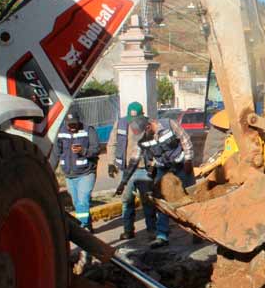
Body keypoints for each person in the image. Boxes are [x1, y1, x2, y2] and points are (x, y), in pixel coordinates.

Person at [116, 116, 195, 248]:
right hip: (162, 168)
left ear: (148, 127)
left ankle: (196, 232)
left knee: (190, 198)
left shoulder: (169, 124)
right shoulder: (142, 140)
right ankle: (162, 236)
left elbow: (185, 140)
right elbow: (134, 160)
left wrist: (188, 160)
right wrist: (123, 182)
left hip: (181, 166)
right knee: (161, 201)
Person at [107, 102, 157, 241]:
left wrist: (153, 164)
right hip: (125, 169)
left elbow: (156, 146)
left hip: (143, 169)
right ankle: (128, 230)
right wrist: (111, 163)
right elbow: (112, 143)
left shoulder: (148, 125)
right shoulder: (121, 123)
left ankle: (152, 230)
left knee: (147, 201)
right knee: (127, 201)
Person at [55, 109, 100, 230]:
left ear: (79, 122)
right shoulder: (61, 131)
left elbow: (96, 150)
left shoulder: (88, 130)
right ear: (66, 123)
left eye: (74, 124)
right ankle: (88, 226)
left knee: (82, 201)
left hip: (86, 173)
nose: (72, 127)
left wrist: (82, 151)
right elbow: (57, 151)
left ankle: (83, 227)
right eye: (70, 125)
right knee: (76, 203)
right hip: (70, 175)